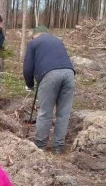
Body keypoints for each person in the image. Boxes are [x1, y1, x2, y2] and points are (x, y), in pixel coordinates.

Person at [23, 25, 75, 154]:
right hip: (69, 74)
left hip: (49, 75)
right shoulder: (57, 40)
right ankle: (58, 147)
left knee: (45, 113)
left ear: (35, 35)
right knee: (63, 114)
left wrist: (30, 84)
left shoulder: (33, 43)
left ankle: (40, 146)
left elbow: (28, 68)